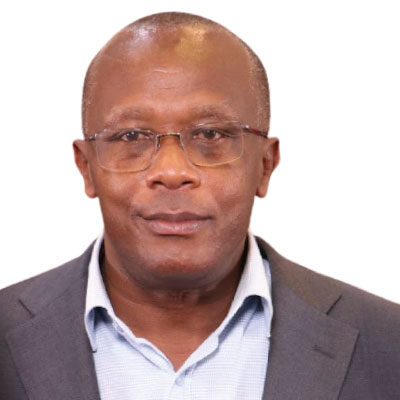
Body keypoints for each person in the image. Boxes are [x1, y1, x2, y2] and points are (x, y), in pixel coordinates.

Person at [1, 11, 399, 400]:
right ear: (86, 167)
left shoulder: (388, 344)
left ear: (265, 165)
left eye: (210, 134)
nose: (172, 172)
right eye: (131, 136)